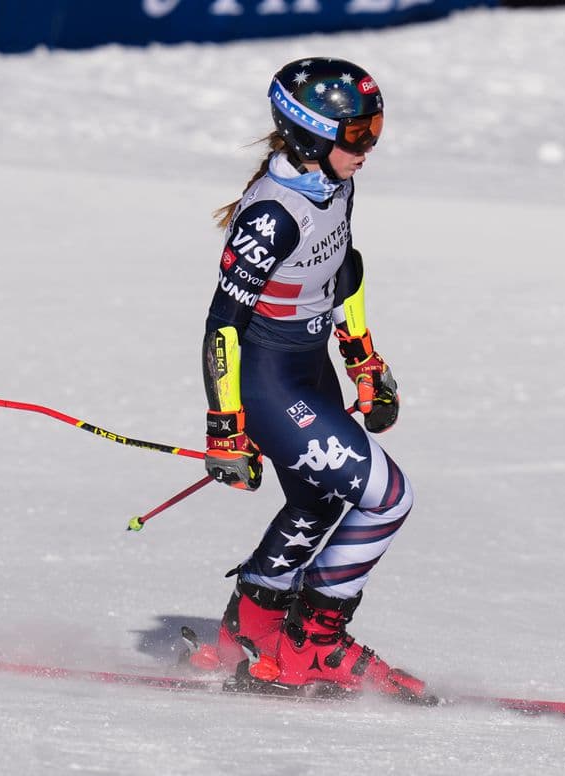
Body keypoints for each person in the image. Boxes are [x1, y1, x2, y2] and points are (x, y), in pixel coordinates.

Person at [189, 57, 424, 699]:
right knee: (388, 498)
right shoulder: (272, 216)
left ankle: (250, 631)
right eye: (356, 134)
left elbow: (344, 267)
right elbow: (222, 327)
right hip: (267, 380)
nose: (368, 147)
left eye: (374, 129)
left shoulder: (334, 184)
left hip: (309, 363)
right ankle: (314, 645)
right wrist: (225, 428)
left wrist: (364, 361)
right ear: (309, 134)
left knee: (320, 500)